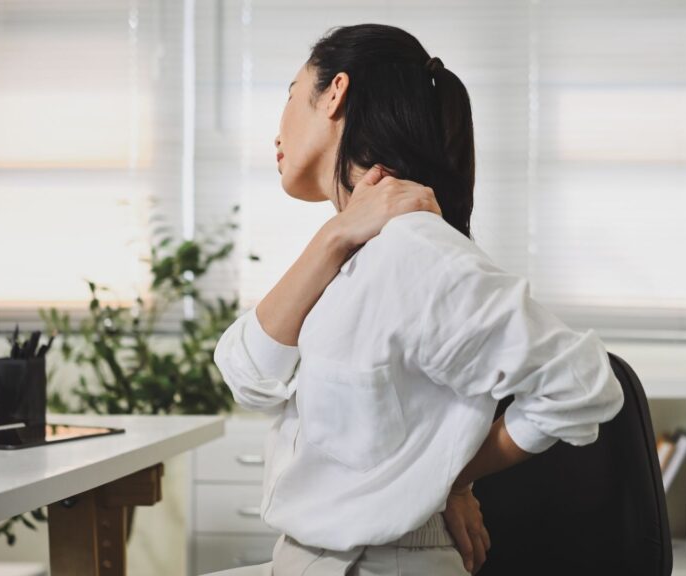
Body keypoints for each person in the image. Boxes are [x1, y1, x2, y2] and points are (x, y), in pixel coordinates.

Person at [210, 23, 624, 576]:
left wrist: (449, 473)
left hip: (375, 562)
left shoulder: (415, 251)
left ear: (335, 93)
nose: (276, 129)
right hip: (315, 557)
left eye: (290, 93)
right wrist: (334, 236)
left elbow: (581, 384)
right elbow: (246, 373)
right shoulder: (351, 252)